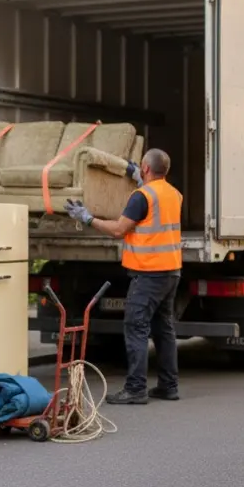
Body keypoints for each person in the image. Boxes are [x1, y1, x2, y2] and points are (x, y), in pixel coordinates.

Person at [63, 149, 182, 405]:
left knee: (135, 327)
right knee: (164, 329)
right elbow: (153, 207)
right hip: (171, 271)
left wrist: (87, 218)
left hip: (148, 273)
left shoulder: (141, 196)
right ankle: (168, 386)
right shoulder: (173, 193)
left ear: (146, 168)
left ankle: (136, 389)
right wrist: (139, 178)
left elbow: (119, 230)